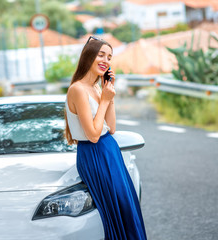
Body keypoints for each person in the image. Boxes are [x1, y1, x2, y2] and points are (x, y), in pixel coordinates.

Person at [64, 36, 147, 240]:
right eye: (101, 55)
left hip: (109, 152)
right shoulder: (77, 89)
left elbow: (111, 128)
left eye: (109, 57)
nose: (106, 60)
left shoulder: (96, 88)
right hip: (95, 155)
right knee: (114, 213)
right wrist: (104, 101)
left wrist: (108, 96)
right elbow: (92, 135)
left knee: (127, 208)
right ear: (88, 56)